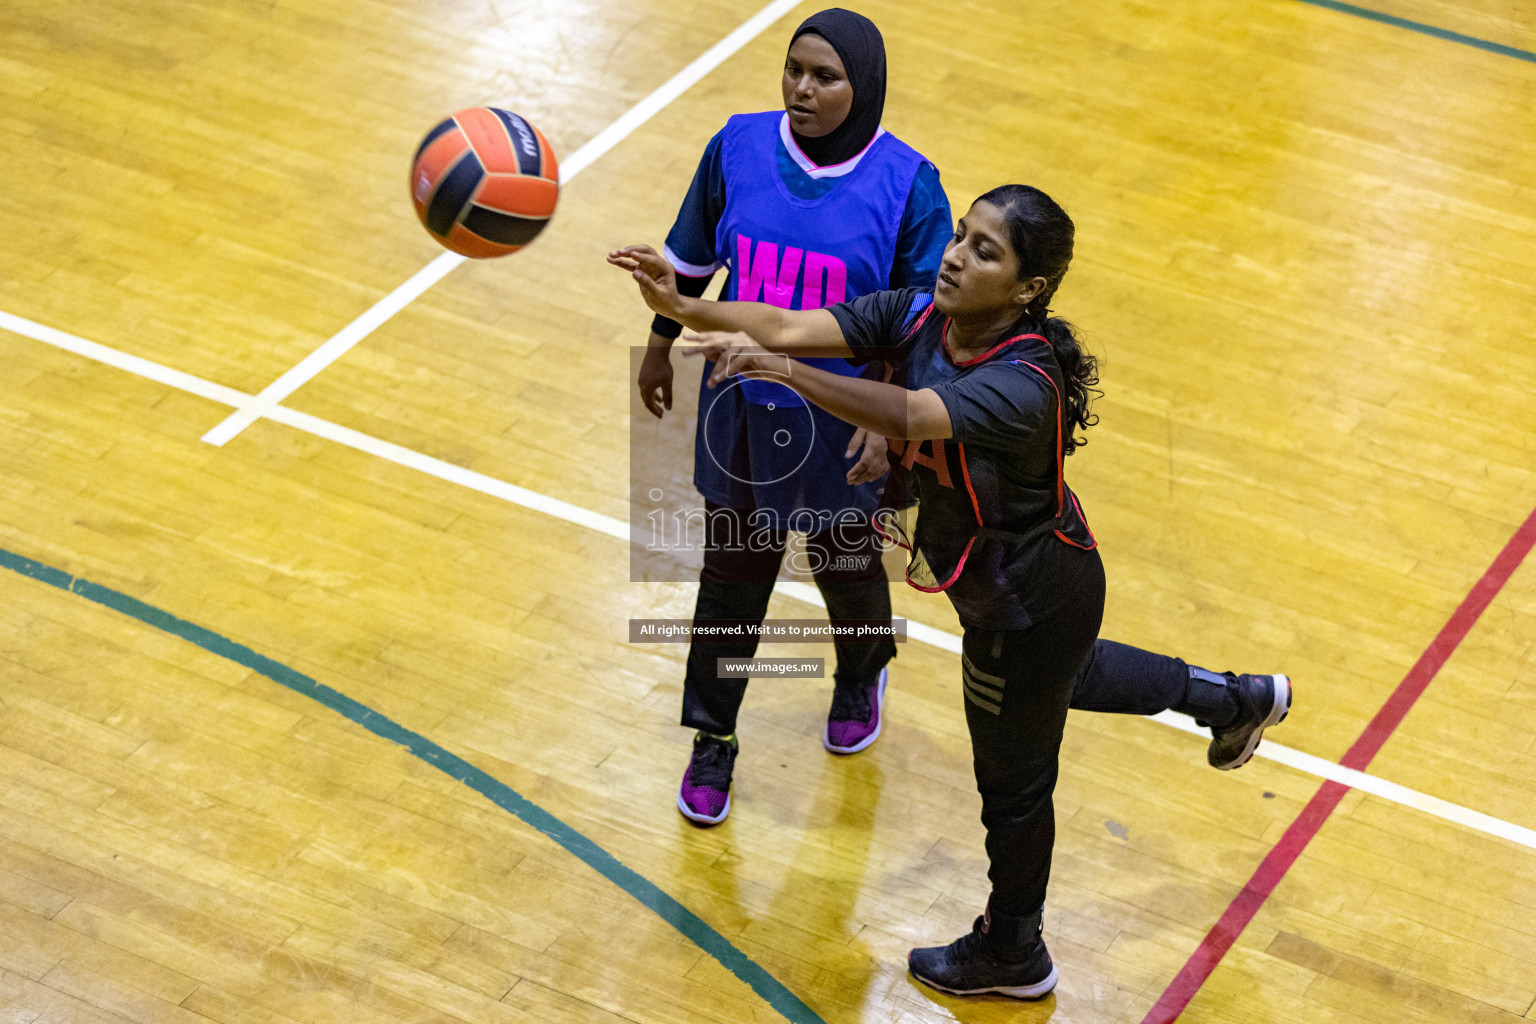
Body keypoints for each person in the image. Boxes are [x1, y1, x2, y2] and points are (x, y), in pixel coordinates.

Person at [608, 183, 1292, 999]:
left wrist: (789, 375)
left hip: (1031, 598)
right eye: (961, 236)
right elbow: (787, 323)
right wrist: (682, 305)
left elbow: (904, 408)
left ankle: (1015, 952)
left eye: (986, 251)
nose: (957, 255)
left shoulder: (1022, 383)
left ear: (1029, 290)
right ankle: (1231, 698)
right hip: (1021, 591)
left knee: (1014, 781)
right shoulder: (918, 315)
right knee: (1066, 680)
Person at [636, 8, 953, 826]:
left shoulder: (909, 184)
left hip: (846, 423)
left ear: (865, 86)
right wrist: (658, 343)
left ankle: (861, 667)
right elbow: (691, 264)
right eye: (794, 70)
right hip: (740, 410)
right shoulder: (737, 147)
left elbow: (926, 326)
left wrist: (889, 424)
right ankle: (714, 738)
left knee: (844, 568)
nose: (803, 89)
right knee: (733, 578)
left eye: (826, 77)